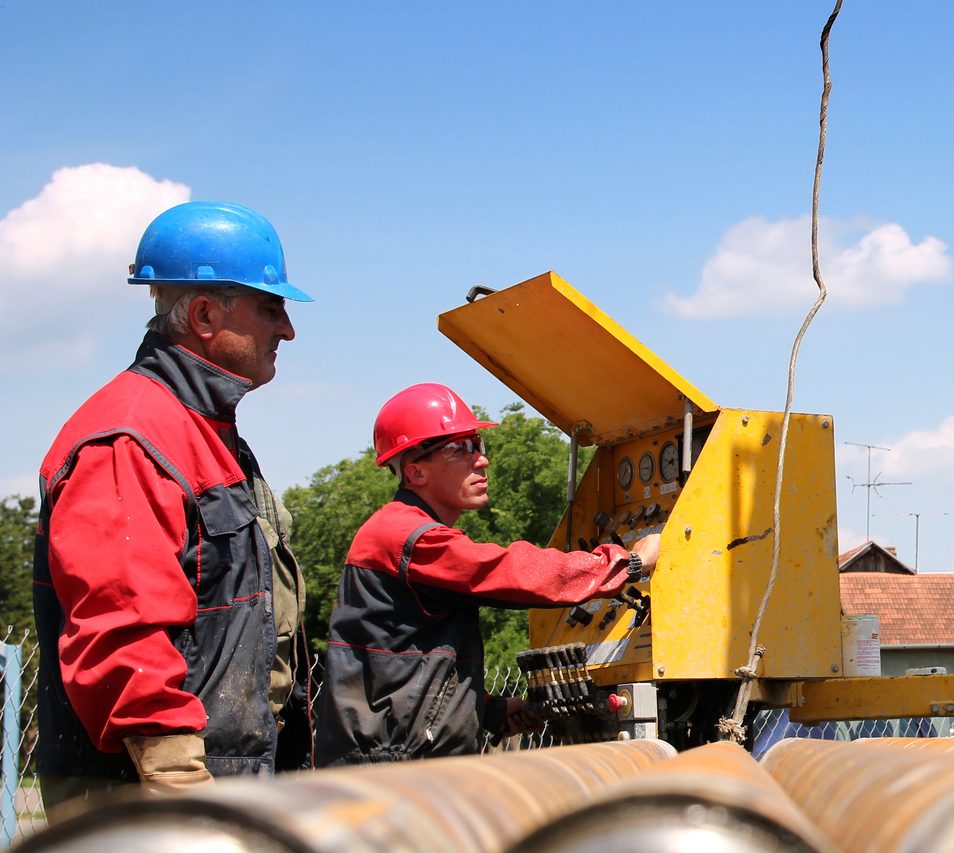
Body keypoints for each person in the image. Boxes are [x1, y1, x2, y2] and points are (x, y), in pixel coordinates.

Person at [32, 201, 313, 805]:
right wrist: (177, 783)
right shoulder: (130, 438)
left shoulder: (204, 432)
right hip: (148, 801)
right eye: (270, 308)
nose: (286, 329)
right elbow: (121, 628)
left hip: (225, 786)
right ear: (206, 314)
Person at [313, 383, 658, 766]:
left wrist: (489, 709)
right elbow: (509, 571)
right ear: (415, 471)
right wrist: (627, 563)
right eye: (459, 448)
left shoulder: (400, 532)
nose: (481, 460)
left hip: (392, 753)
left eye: (477, 444)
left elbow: (403, 659)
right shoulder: (408, 538)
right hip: (392, 764)